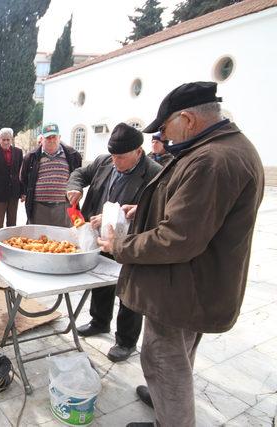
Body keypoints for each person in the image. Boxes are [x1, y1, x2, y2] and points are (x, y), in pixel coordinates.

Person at [96, 82, 264, 427]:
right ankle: (164, 407)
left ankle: (171, 415)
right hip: (196, 284)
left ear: (186, 118)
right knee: (177, 358)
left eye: (164, 127)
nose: (163, 135)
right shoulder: (224, 147)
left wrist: (119, 246)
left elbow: (177, 238)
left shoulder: (211, 160)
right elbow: (192, 212)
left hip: (184, 290)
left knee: (164, 362)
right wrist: (141, 208)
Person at [66, 123, 162, 363]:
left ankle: (126, 341)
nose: (116, 161)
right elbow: (79, 174)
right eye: (113, 156)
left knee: (129, 291)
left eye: (121, 157)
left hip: (130, 241)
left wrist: (114, 216)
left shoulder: (155, 173)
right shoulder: (104, 162)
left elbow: (159, 211)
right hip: (101, 238)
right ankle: (99, 321)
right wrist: (75, 188)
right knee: (101, 282)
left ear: (138, 152)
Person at [20, 122, 81, 226]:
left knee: (62, 239)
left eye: (54, 137)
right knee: (38, 239)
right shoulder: (31, 157)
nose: (52, 140)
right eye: (48, 138)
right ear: (42, 139)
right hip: (39, 207)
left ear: (59, 137)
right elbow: (23, 178)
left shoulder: (72, 155)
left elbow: (78, 176)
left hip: (64, 207)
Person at [0, 127, 23, 232]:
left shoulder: (18, 152)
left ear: (11, 139)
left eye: (8, 139)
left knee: (12, 223)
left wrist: (23, 192)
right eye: (3, 139)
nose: (6, 142)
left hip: (14, 193)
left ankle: (11, 244)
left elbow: (22, 173)